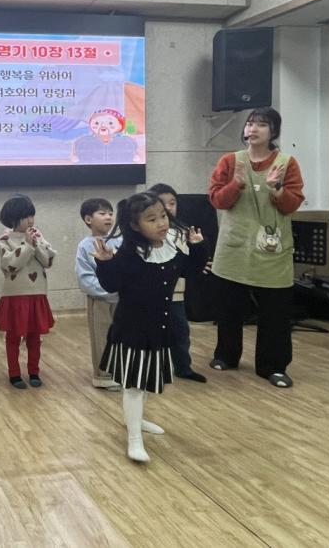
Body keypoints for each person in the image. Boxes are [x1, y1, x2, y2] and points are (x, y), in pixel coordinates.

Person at [94, 192, 207, 462]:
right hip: (132, 331)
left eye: (163, 216)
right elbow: (111, 284)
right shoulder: (129, 254)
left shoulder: (170, 249)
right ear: (135, 226)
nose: (161, 223)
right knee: (133, 386)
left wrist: (198, 247)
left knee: (144, 382)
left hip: (158, 330)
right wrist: (105, 263)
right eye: (152, 219)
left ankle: (136, 420)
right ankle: (134, 438)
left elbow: (190, 269)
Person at [208, 107, 304, 388]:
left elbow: (292, 204)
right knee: (229, 308)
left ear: (273, 131)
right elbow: (217, 200)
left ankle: (273, 366)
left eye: (261, 124)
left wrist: (276, 189)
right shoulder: (230, 161)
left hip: (271, 248)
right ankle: (226, 355)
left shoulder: (287, 163)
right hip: (235, 246)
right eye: (250, 123)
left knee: (275, 311)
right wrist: (236, 184)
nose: (253, 128)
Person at [0, 194, 57, 389]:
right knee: (13, 337)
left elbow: (48, 261)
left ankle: (34, 371)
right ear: (13, 218)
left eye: (32, 215)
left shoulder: (37, 235)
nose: (30, 220)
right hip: (15, 296)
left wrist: (36, 243)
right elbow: (10, 265)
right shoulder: (5, 239)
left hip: (37, 294)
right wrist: (27, 245)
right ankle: (14, 374)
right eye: (26, 216)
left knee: (34, 337)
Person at [147, 183, 206, 383]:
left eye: (173, 203)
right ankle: (154, 367)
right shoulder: (146, 234)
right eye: (164, 204)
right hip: (152, 295)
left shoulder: (183, 231)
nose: (169, 208)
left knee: (180, 332)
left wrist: (199, 251)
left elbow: (187, 263)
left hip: (176, 293)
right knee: (153, 332)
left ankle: (183, 367)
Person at [75, 197, 122, 390]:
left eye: (110, 213)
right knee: (102, 337)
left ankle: (123, 371)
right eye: (102, 213)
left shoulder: (120, 241)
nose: (108, 217)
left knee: (123, 336)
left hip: (123, 299)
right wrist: (109, 289)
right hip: (100, 300)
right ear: (88, 219)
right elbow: (85, 277)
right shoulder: (85, 246)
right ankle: (104, 375)